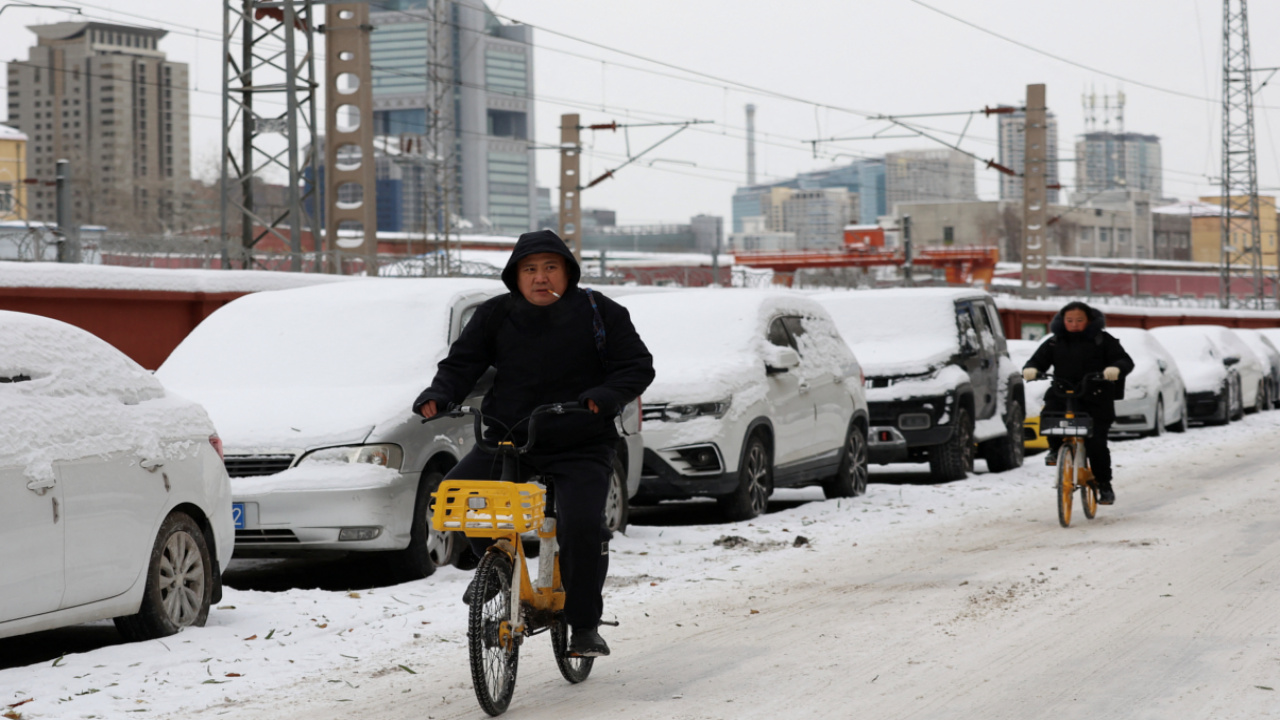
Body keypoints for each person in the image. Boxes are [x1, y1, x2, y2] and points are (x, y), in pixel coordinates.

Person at [412, 229, 654, 658]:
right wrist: (438, 394)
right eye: (530, 270)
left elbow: (637, 366)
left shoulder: (601, 312)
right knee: (460, 496)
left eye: (550, 268)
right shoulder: (495, 314)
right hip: (507, 438)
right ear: (515, 275)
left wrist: (604, 396)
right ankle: (499, 569)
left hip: (581, 441)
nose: (540, 278)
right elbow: (462, 363)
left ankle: (583, 625)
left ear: (568, 272)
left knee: (581, 526)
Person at [1022, 301, 1134, 505]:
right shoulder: (1055, 342)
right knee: (1050, 418)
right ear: (1062, 321)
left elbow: (1124, 360)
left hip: (1096, 395)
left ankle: (1104, 485)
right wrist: (1031, 369)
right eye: (1069, 320)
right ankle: (1055, 449)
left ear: (1089, 320)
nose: (1074, 324)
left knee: (1096, 443)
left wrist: (1115, 369)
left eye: (1079, 320)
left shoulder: (1103, 340)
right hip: (1063, 392)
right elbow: (1037, 361)